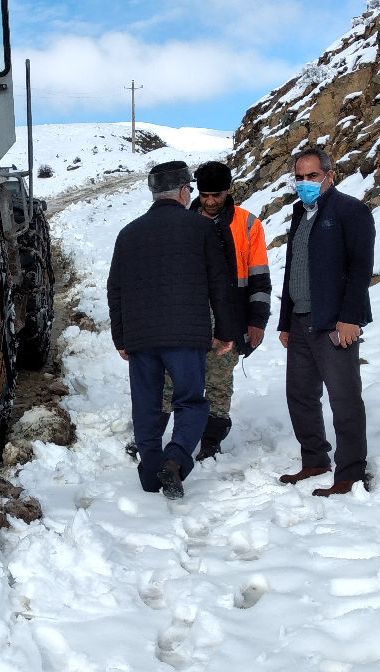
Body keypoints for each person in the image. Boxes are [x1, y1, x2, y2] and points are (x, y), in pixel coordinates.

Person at [108, 161, 242, 500]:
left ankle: (151, 474)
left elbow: (116, 289)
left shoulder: (129, 233)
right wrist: (226, 331)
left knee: (146, 405)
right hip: (186, 336)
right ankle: (177, 457)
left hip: (141, 338)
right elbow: (219, 284)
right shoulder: (201, 229)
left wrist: (121, 338)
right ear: (184, 191)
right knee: (191, 402)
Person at [276, 148, 375, 496]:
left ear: (329, 176)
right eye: (299, 177)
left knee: (344, 398)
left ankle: (350, 471)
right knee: (300, 395)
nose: (305, 183)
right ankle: (315, 459)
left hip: (334, 323)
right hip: (301, 320)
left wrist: (350, 318)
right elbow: (294, 269)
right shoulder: (299, 214)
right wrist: (285, 321)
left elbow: (360, 269)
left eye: (312, 176)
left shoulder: (351, 211)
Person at [188, 161, 271, 460]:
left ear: (229, 191)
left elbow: (260, 277)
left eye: (217, 195)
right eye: (205, 194)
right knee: (175, 378)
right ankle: (170, 435)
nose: (210, 202)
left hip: (231, 316)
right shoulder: (184, 221)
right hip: (190, 315)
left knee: (219, 380)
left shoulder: (248, 224)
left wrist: (257, 321)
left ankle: (212, 439)